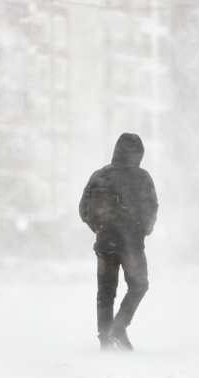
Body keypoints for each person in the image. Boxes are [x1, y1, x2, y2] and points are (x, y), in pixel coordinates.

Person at [79, 133, 158, 351]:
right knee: (139, 285)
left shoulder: (99, 176)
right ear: (138, 154)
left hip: (105, 244)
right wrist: (141, 231)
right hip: (131, 245)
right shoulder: (142, 178)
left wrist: (100, 229)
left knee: (105, 292)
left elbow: (84, 209)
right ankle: (118, 328)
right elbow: (151, 208)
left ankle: (105, 339)